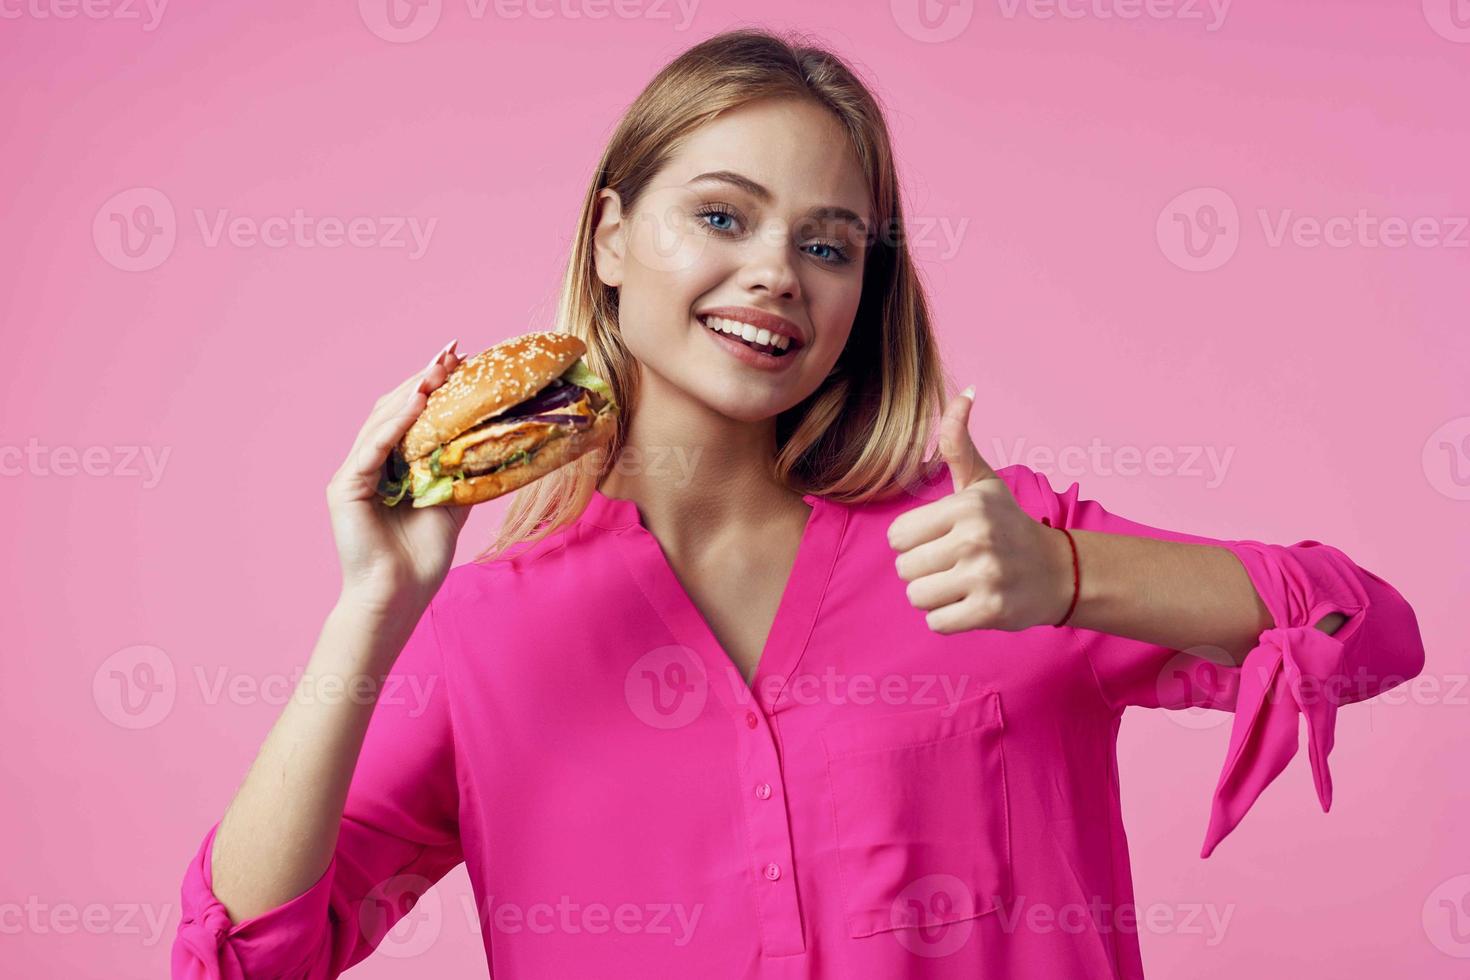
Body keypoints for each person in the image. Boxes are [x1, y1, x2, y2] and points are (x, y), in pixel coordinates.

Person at [170, 27, 1425, 979]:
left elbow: (1366, 628)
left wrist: (1071, 578)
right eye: (722, 214)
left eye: (828, 244)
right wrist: (369, 609)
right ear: (611, 237)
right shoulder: (483, 631)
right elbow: (235, 955)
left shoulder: (989, 547)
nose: (775, 271)